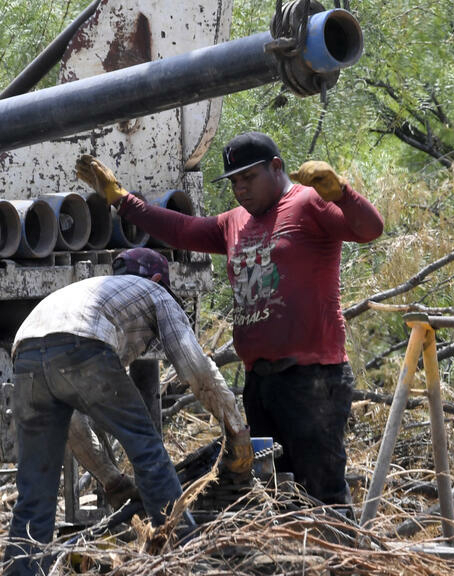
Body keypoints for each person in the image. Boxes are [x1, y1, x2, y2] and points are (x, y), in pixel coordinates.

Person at [75, 132, 384, 506]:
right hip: (260, 381)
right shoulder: (233, 223)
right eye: (234, 181)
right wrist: (121, 201)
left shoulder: (308, 203)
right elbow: (180, 230)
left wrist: (341, 193)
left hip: (312, 379)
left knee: (322, 492)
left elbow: (370, 230)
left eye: (248, 178)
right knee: (272, 495)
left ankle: (340, 560)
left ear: (276, 167)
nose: (240, 189)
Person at [4, 248, 252, 575]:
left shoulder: (95, 294)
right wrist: (236, 430)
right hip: (82, 343)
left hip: (25, 351)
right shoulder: (155, 292)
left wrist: (112, 480)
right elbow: (196, 369)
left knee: (35, 487)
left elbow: (71, 426)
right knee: (147, 448)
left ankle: (22, 571)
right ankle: (185, 558)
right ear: (159, 279)